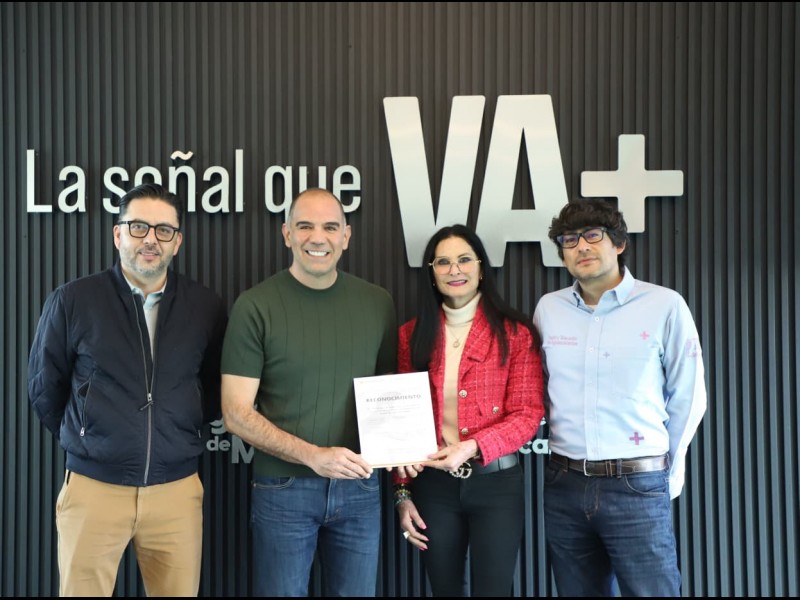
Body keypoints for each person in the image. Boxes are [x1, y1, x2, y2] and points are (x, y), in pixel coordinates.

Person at [27, 182, 228, 596]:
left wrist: (181, 427)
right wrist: (90, 437)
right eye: (138, 227)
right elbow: (46, 387)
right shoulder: (74, 300)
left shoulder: (204, 306)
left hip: (176, 492)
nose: (151, 239)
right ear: (118, 234)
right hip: (94, 489)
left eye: (163, 230)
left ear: (177, 242)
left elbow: (213, 386)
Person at [220, 188, 397, 597]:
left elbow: (388, 396)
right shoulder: (255, 306)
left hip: (360, 487)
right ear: (287, 234)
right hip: (283, 489)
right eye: (305, 226)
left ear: (346, 236)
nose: (318, 238)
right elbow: (235, 413)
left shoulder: (378, 304)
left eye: (330, 227)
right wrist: (313, 456)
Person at [532, 198, 707, 597]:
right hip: (564, 483)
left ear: (619, 243)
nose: (582, 246)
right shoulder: (549, 309)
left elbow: (689, 395)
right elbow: (538, 386)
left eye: (593, 235)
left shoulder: (664, 305)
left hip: (637, 483)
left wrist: (666, 473)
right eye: (570, 240)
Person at [393, 224, 545, 597]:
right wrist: (402, 494)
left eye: (464, 260)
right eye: (443, 262)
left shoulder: (515, 333)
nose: (454, 270)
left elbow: (527, 414)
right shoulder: (411, 334)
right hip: (433, 487)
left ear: (480, 268)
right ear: (431, 272)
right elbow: (402, 421)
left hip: (496, 485)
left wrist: (472, 446)